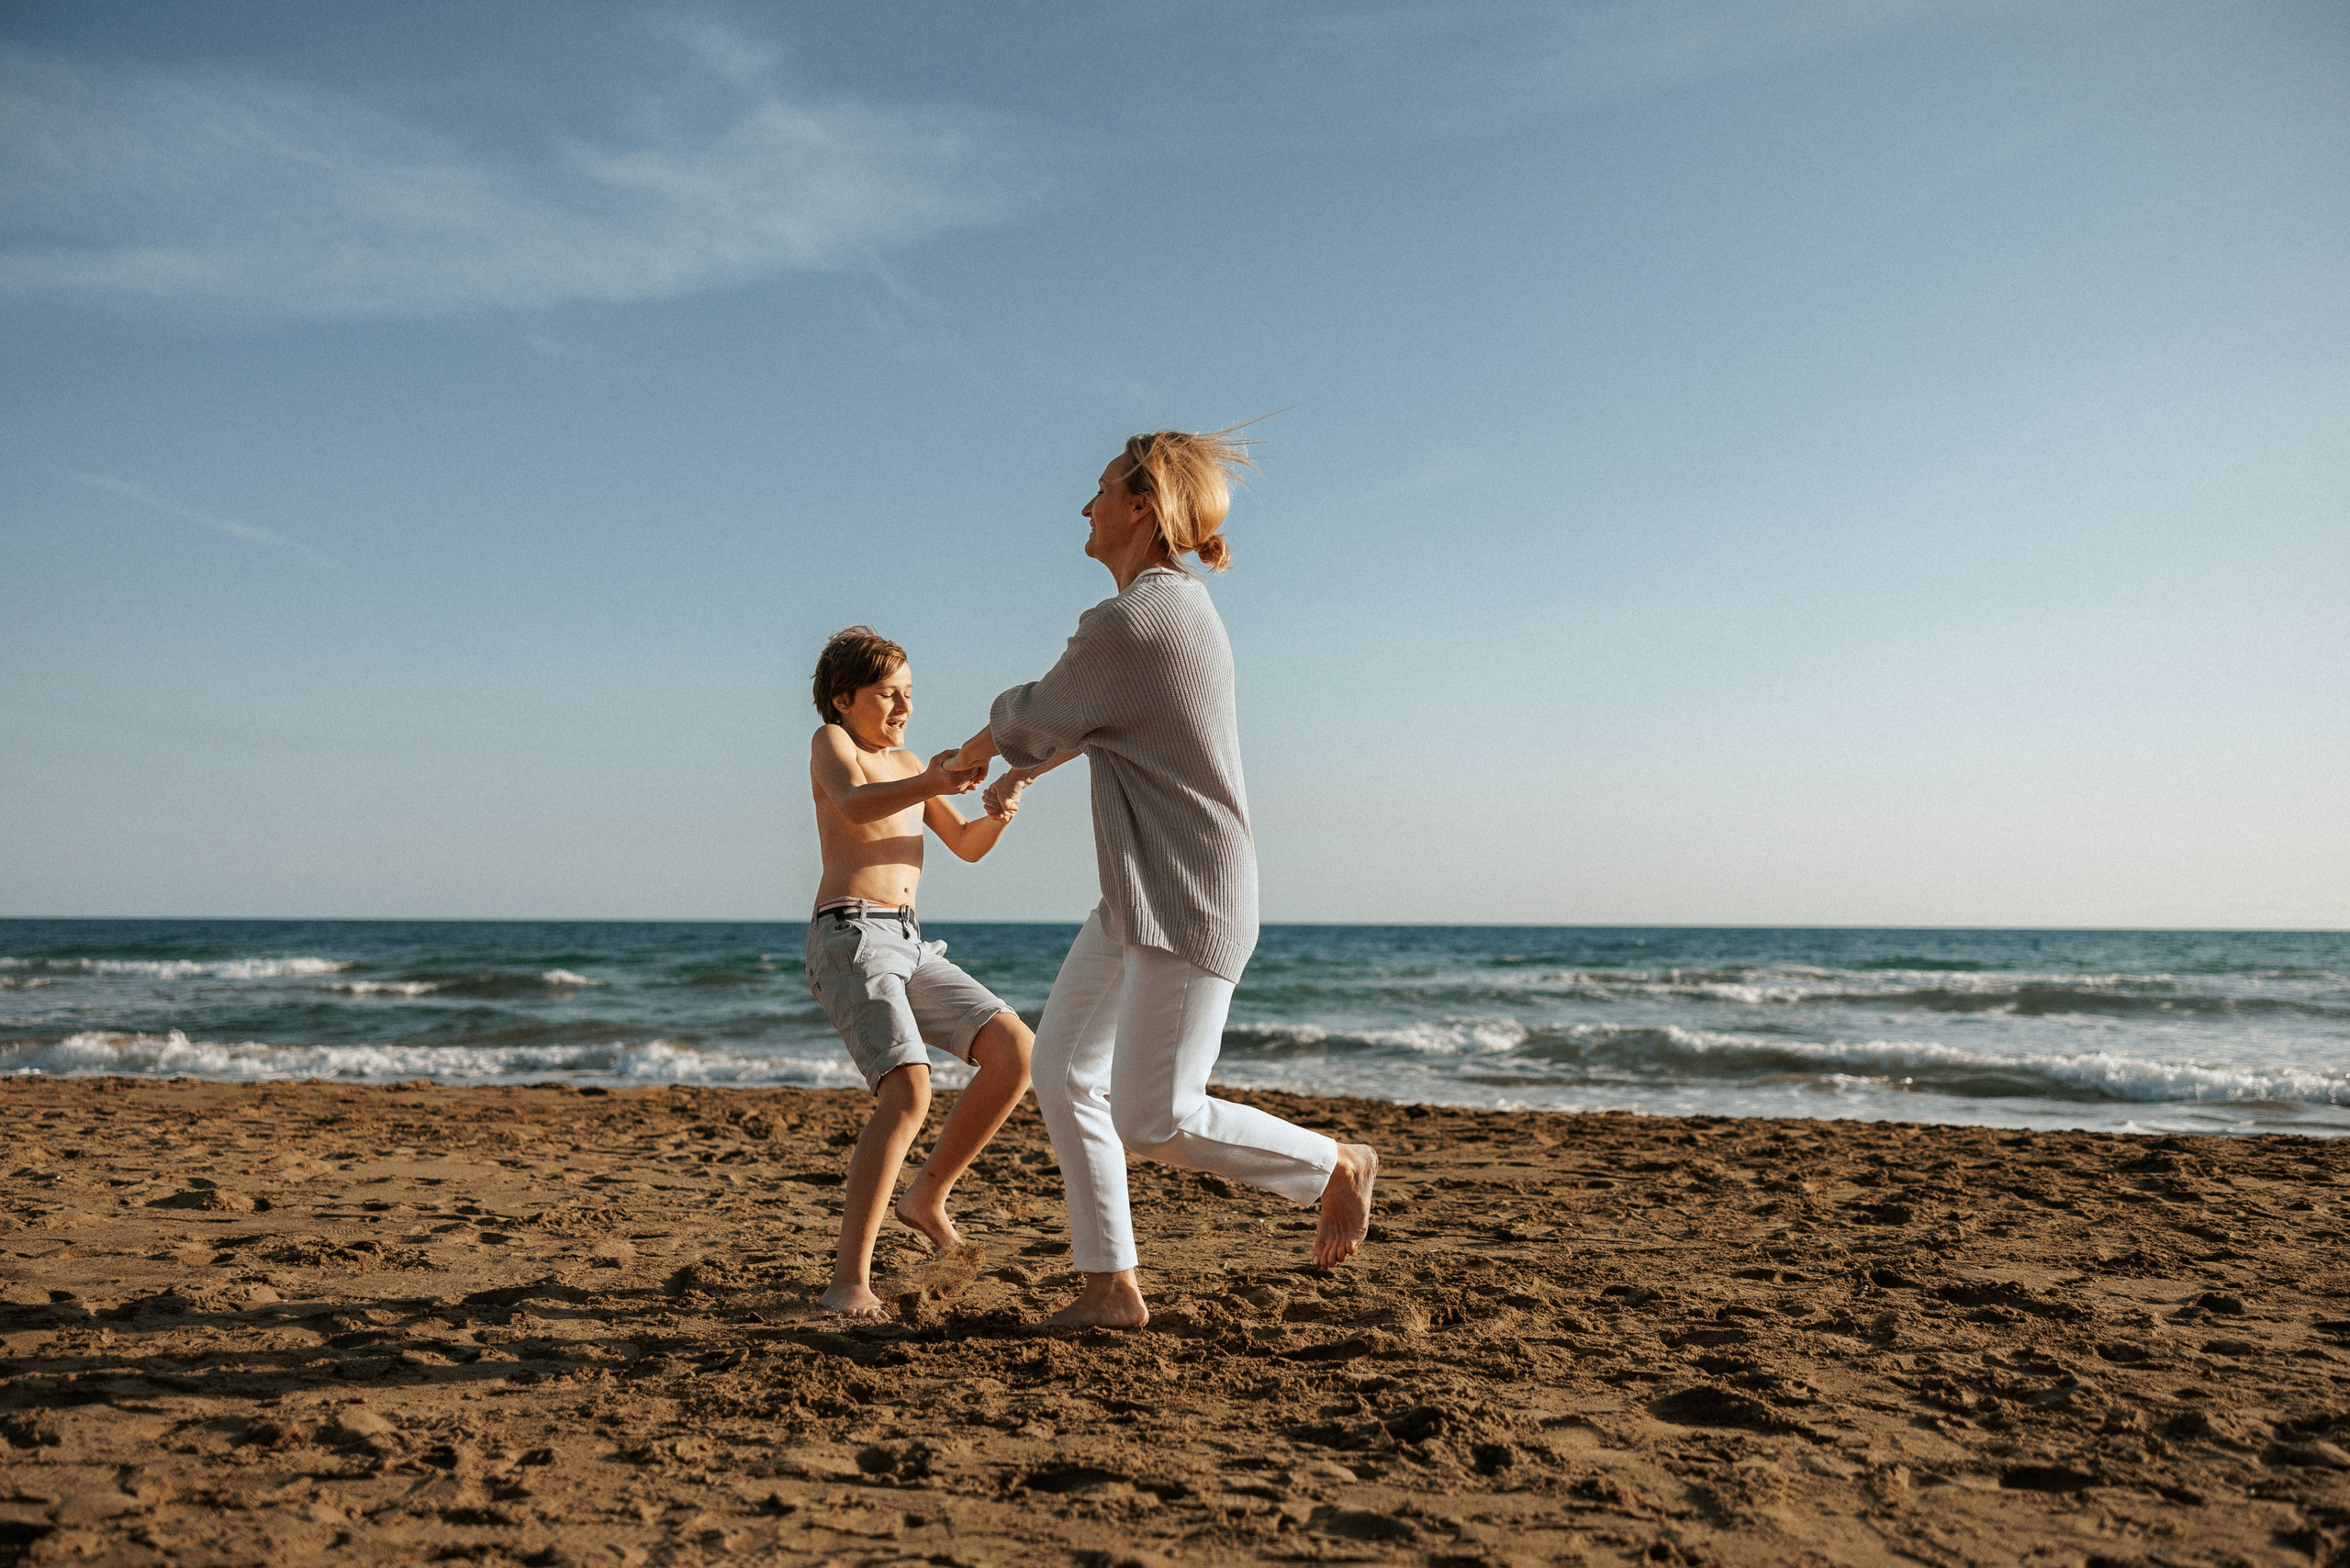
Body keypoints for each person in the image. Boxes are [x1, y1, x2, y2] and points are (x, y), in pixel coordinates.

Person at [951, 429, 1378, 1330]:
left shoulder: (1135, 620)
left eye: (1100, 489)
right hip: (1138, 889)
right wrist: (1029, 762)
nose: (1085, 505)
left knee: (1154, 1116)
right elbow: (1104, 720)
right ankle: (1109, 1284)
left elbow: (1040, 710)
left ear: (1141, 507)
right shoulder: (1166, 613)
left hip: (1186, 892)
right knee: (1063, 1069)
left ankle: (1333, 1163)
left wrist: (980, 749)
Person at [802, 626, 1037, 1320]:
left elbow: (965, 845)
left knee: (1015, 1052)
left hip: (909, 942)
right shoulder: (834, 745)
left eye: (909, 694)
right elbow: (852, 802)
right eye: (886, 694)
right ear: (843, 699)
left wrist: (999, 813)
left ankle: (926, 1196)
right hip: (850, 935)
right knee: (907, 1093)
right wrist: (933, 779)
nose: (902, 707)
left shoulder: (906, 761)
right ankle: (850, 1281)